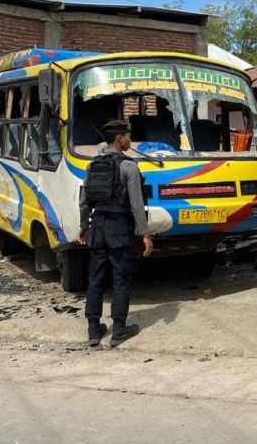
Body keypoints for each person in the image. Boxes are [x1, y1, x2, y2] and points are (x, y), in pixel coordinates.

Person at [79, 120, 153, 348]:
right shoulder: (128, 167)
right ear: (119, 138)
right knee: (121, 277)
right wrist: (144, 234)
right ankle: (119, 330)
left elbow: (84, 201)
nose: (131, 140)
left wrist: (84, 226)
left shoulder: (93, 165)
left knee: (96, 277)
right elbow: (137, 204)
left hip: (98, 225)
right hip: (119, 226)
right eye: (128, 136)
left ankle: (93, 330)